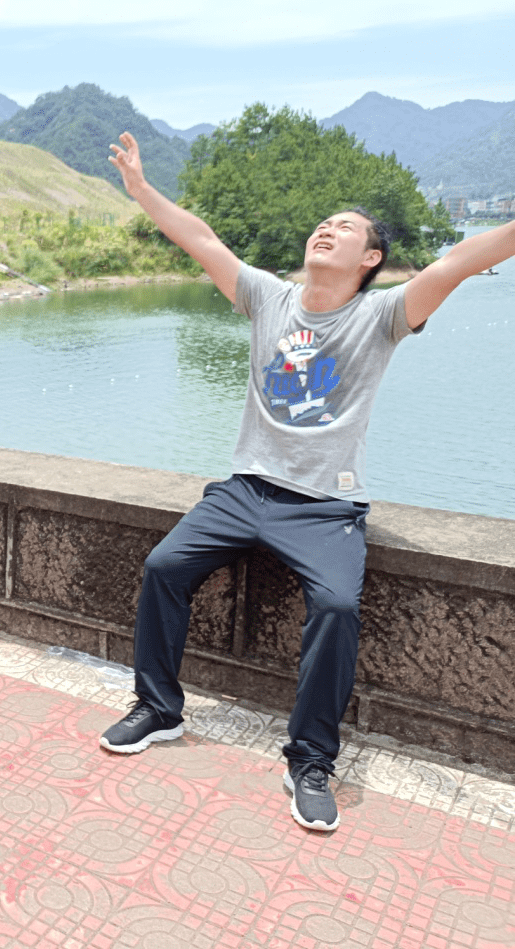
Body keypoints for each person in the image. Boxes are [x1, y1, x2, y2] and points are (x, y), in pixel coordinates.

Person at [98, 130, 515, 832]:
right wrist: (141, 191)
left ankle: (311, 758)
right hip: (243, 490)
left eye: (345, 228)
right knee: (163, 565)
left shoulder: (381, 316)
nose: (327, 228)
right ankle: (157, 708)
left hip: (323, 508)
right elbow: (200, 239)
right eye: (323, 222)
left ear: (371, 257)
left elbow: (464, 258)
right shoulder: (267, 298)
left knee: (335, 607)